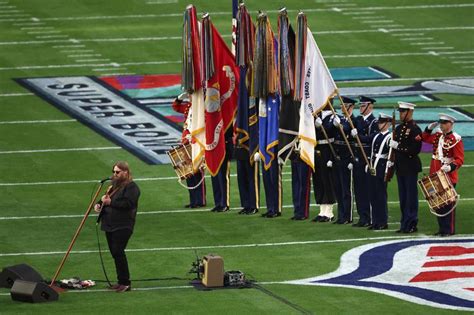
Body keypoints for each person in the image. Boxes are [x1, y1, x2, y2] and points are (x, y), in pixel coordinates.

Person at [95, 161, 141, 292]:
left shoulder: (132, 187)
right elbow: (107, 198)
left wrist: (110, 202)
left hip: (123, 224)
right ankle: (121, 281)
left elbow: (128, 204)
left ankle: (125, 282)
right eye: (114, 172)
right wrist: (99, 204)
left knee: (118, 252)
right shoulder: (113, 185)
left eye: (117, 172)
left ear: (125, 172)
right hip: (109, 224)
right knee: (115, 253)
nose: (114, 174)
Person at [421, 113, 464, 236]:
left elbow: (459, 159)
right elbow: (424, 138)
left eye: (445, 123)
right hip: (435, 173)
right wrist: (428, 129)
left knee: (448, 204)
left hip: (447, 175)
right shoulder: (438, 136)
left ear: (451, 124)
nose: (442, 125)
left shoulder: (455, 139)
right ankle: (441, 228)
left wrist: (450, 167)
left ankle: (449, 229)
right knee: (438, 203)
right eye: (441, 123)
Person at [388, 102, 422, 233]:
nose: (401, 114)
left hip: (410, 167)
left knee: (411, 197)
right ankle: (404, 223)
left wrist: (398, 147)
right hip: (400, 167)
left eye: (403, 112)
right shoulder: (398, 128)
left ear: (410, 112)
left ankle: (412, 222)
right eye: (400, 112)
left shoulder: (415, 129)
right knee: (403, 197)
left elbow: (415, 150)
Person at [171, 92, 206, 209]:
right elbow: (175, 107)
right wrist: (179, 98)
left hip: (196, 142)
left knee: (197, 171)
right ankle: (193, 200)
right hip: (186, 142)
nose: (190, 97)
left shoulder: (201, 108)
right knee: (188, 173)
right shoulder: (188, 107)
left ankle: (200, 200)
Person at [351, 96, 379, 227]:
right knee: (359, 190)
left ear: (370, 106)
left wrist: (359, 136)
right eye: (360, 106)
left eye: (363, 106)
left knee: (367, 190)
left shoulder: (374, 122)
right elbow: (346, 126)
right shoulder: (357, 120)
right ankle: (362, 217)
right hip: (357, 158)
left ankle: (369, 217)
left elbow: (372, 139)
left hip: (367, 159)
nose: (360, 108)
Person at [331, 96, 356, 224]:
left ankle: (348, 216)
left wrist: (352, 160)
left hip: (348, 158)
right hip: (338, 157)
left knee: (347, 190)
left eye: (344, 105)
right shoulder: (339, 120)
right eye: (341, 105)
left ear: (351, 107)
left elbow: (347, 130)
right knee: (338, 188)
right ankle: (341, 215)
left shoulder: (354, 121)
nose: (341, 107)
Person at [365, 113, 392, 230]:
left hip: (381, 169)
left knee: (381, 196)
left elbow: (391, 156)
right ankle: (375, 221)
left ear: (387, 124)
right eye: (379, 122)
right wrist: (354, 134)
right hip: (373, 167)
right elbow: (365, 140)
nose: (379, 124)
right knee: (373, 195)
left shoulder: (390, 137)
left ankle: (382, 221)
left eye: (381, 122)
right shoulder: (376, 135)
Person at [312, 105, 337, 222]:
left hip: (328, 150)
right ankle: (322, 210)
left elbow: (332, 132)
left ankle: (329, 212)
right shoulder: (317, 115)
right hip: (318, 150)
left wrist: (332, 158)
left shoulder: (333, 116)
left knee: (328, 181)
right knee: (319, 181)